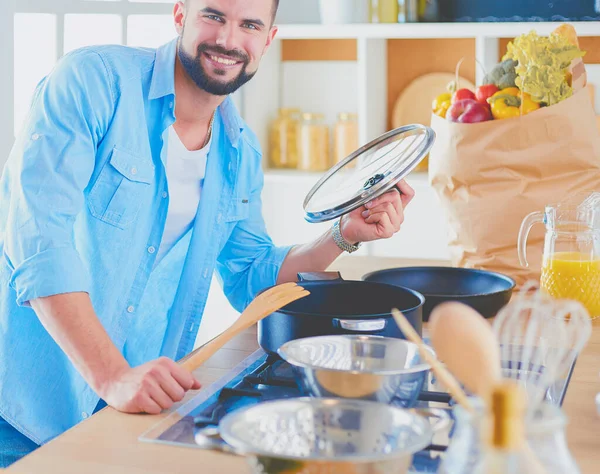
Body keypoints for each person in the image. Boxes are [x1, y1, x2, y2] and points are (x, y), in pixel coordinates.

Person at [0, 0, 414, 467]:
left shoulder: (239, 150)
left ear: (268, 39)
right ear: (181, 15)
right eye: (214, 16)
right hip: (20, 410)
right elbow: (37, 242)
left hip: (123, 411)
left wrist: (342, 234)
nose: (228, 40)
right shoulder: (94, 82)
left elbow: (252, 279)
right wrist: (112, 376)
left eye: (250, 25)